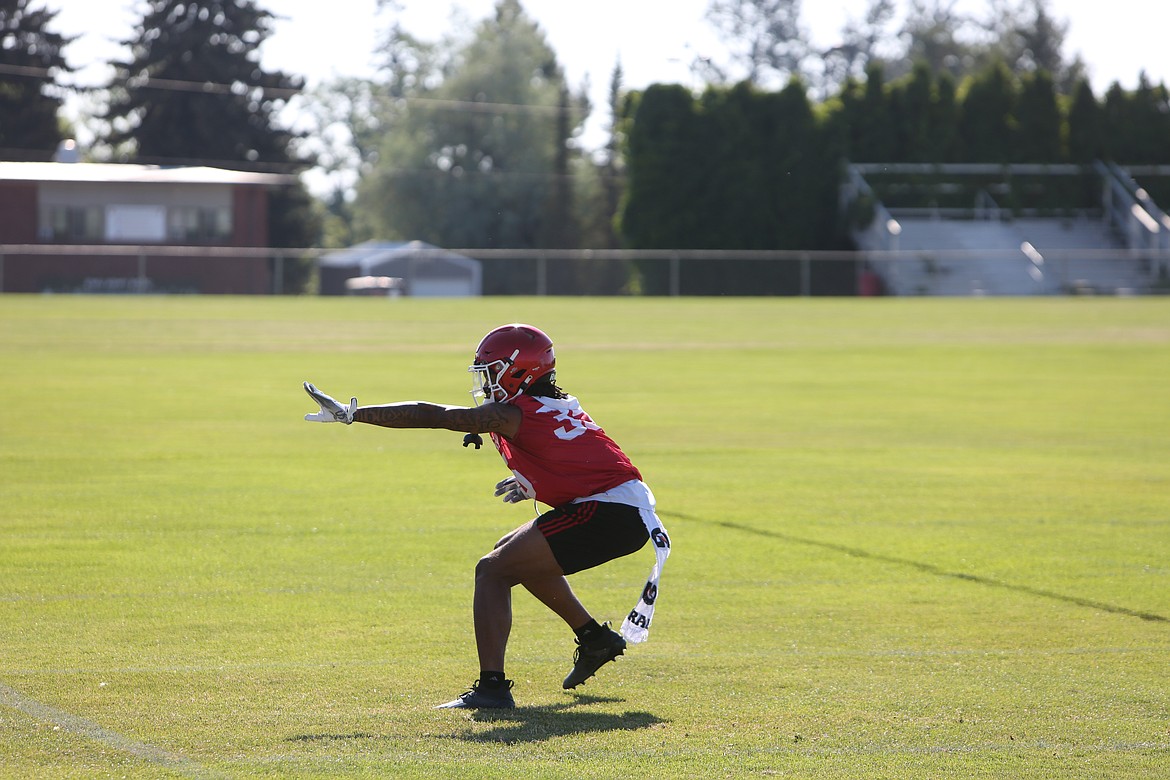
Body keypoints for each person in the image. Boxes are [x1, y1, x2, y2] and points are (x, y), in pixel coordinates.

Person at [303, 323, 670, 709]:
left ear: (518, 370)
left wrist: (354, 414)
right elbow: (583, 454)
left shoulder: (516, 412)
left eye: (492, 370)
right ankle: (594, 638)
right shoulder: (550, 404)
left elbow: (437, 415)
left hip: (611, 512)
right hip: (618, 508)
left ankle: (492, 689)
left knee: (493, 570)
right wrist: (537, 480)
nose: (487, 380)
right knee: (508, 554)